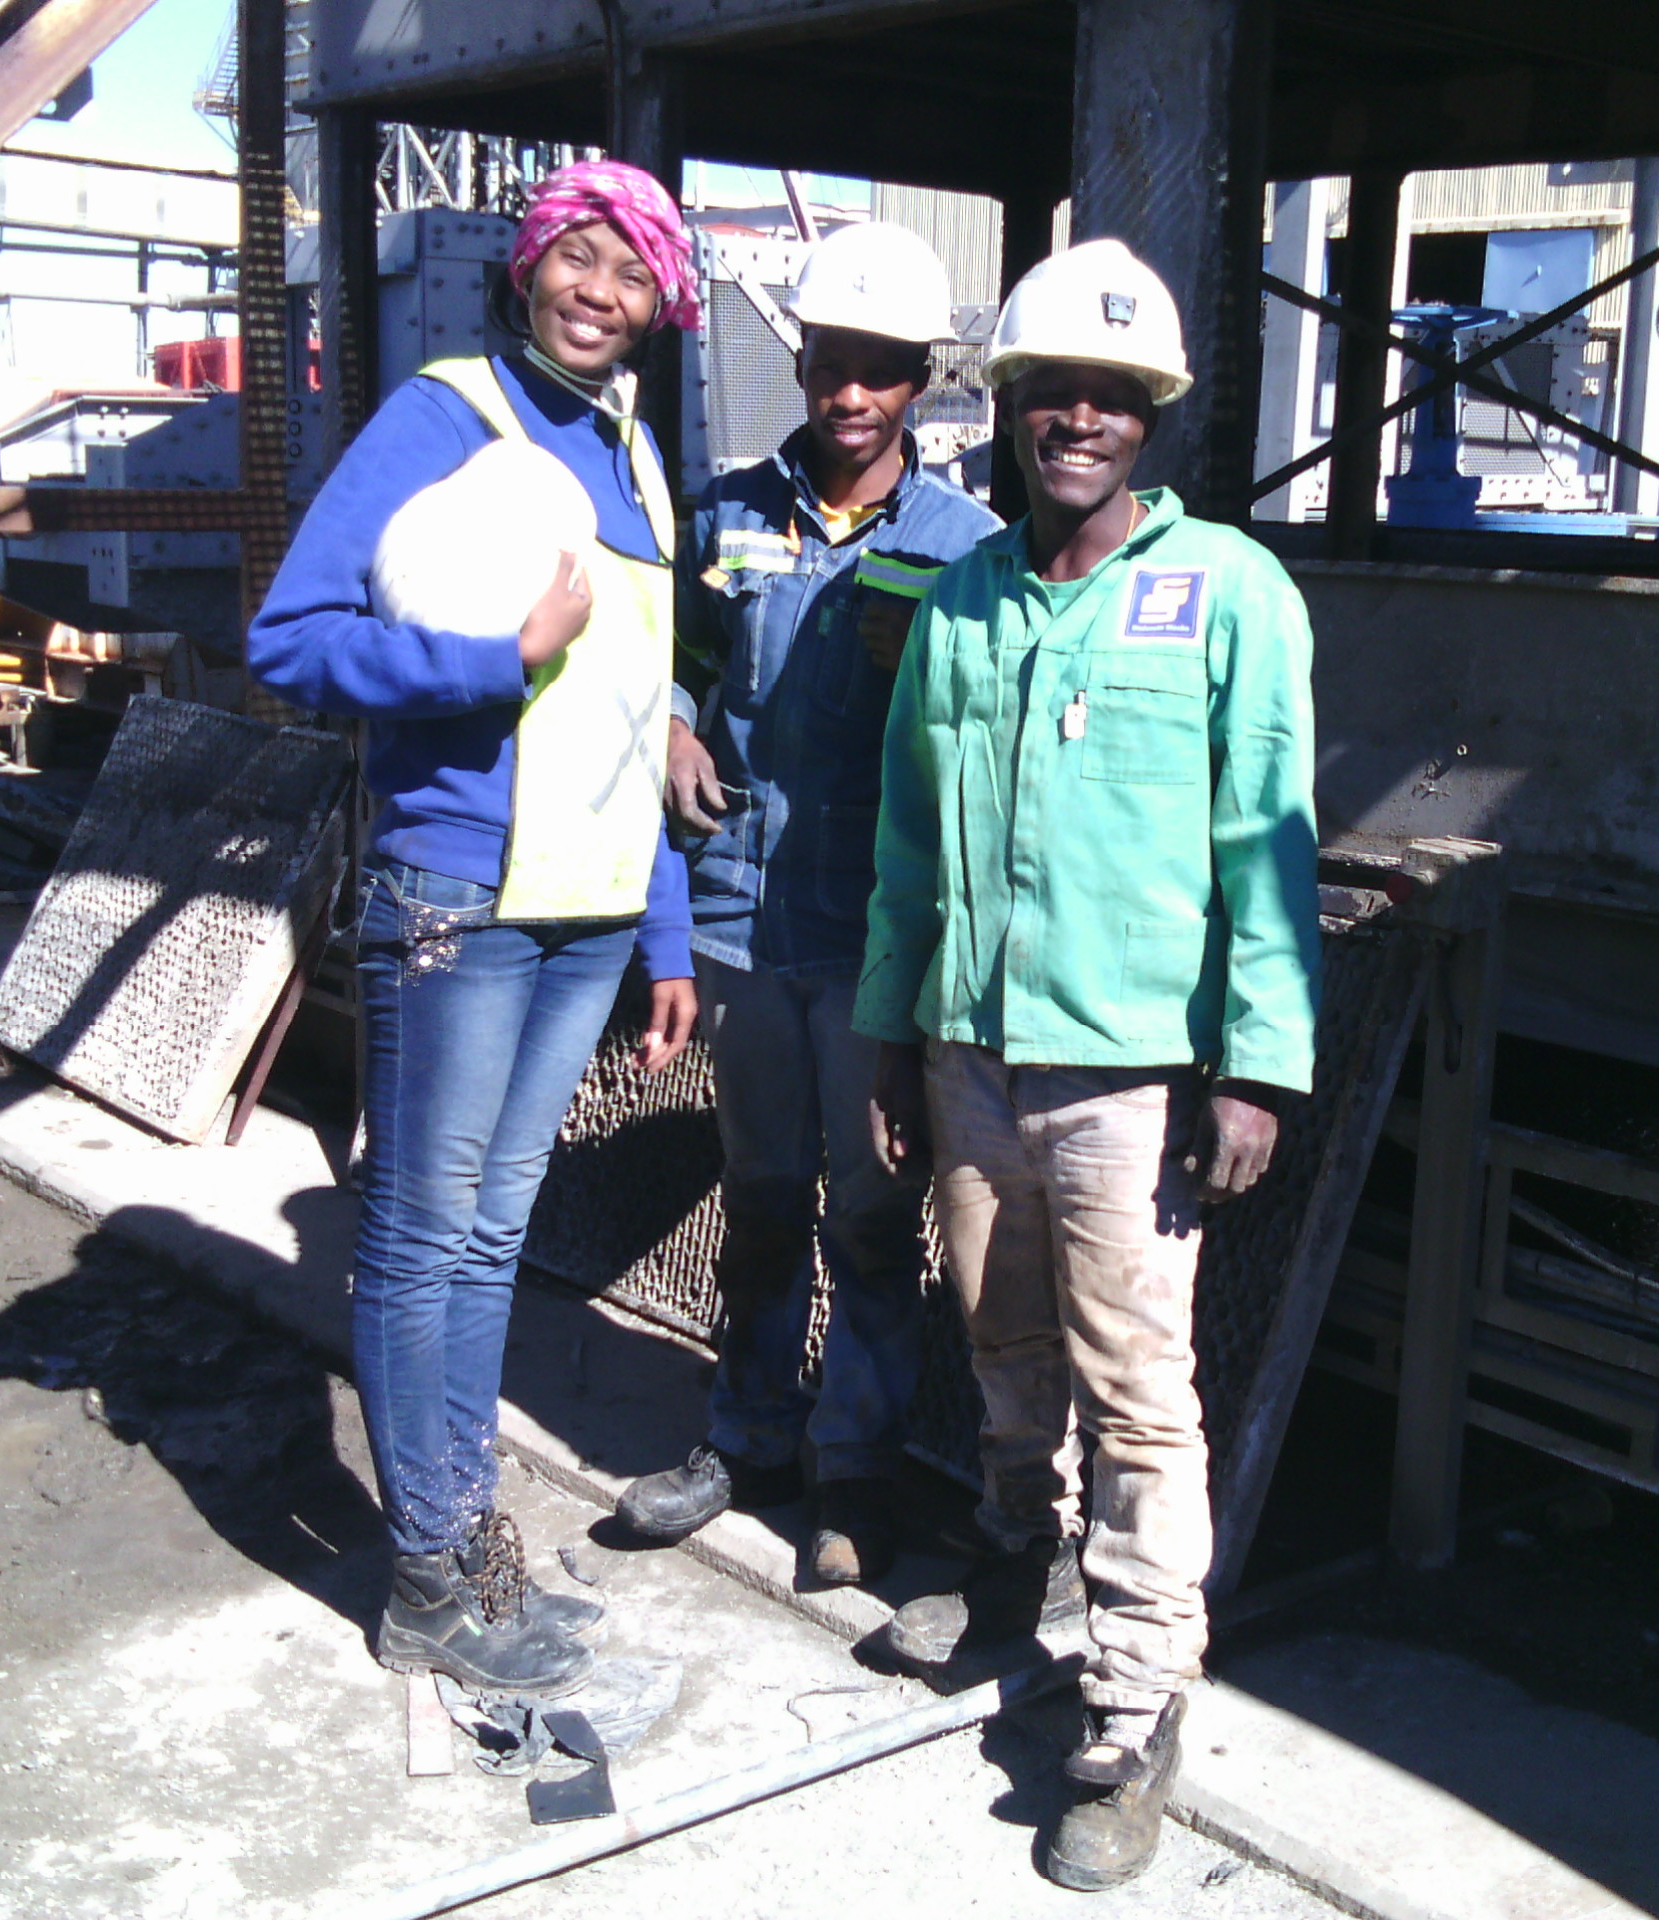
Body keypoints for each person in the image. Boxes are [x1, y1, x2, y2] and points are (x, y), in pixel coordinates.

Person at [854, 239, 1321, 1890]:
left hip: (1129, 1079)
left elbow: (1269, 841)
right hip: (971, 1056)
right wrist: (893, 1036)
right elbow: (910, 843)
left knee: (1136, 1396)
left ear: (1151, 418)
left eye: (1112, 398)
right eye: (1052, 391)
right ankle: (1010, 1567)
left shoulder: (1231, 594)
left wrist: (1256, 1066)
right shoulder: (964, 601)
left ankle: (1131, 1707)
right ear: (1009, 407)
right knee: (1000, 1340)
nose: (1078, 419)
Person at [248, 161, 704, 1696]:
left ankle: (460, 1543)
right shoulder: (446, 415)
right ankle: (430, 1580)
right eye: (579, 258)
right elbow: (292, 639)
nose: (600, 293)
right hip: (456, 894)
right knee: (421, 1238)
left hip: (587, 908)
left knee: (490, 1239)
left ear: (660, 306)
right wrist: (493, 659)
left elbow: (635, 703)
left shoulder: (635, 450)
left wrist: (665, 926)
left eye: (632, 274)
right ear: (527, 266)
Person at [616, 222, 999, 1585]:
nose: (850, 393)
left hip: (874, 948)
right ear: (801, 363)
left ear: (918, 383)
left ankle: (855, 1471)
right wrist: (674, 722)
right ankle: (749, 1434)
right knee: (766, 1198)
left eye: (880, 369)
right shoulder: (727, 514)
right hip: (740, 924)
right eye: (832, 362)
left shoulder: (967, 549)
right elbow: (674, 656)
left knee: (875, 1222)